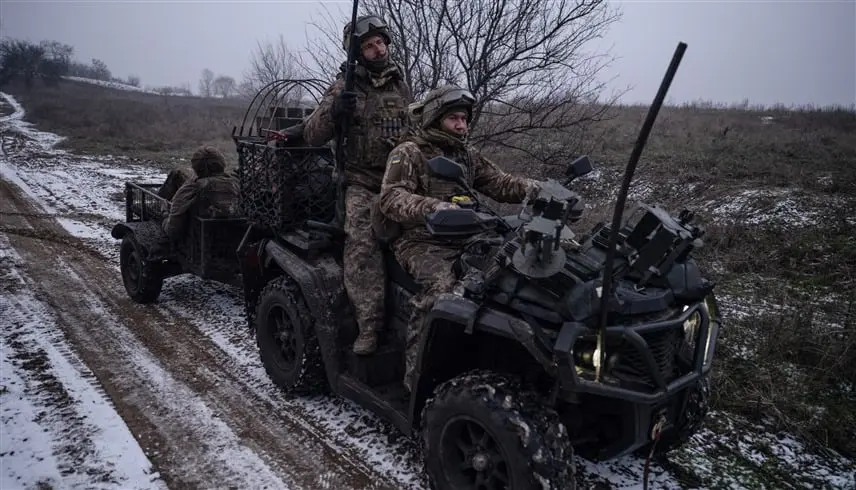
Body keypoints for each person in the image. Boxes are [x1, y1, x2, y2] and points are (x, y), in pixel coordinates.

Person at [378, 85, 542, 391]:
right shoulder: (410, 152)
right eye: (454, 118)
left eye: (465, 119)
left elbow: (500, 183)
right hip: (421, 241)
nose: (462, 125)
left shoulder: (466, 153)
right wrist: (431, 207)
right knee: (441, 291)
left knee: (512, 278)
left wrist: (538, 189)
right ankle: (416, 379)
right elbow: (390, 198)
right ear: (436, 118)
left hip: (468, 235)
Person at [301, 15, 413, 355]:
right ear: (357, 53)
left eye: (380, 42)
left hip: (400, 179)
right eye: (368, 45)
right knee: (362, 245)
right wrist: (335, 110)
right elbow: (311, 135)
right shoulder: (344, 86)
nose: (377, 49)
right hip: (361, 183)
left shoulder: (401, 85)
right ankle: (369, 326)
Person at [162, 146, 240, 240]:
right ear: (222, 164)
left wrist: (165, 215)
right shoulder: (236, 184)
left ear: (196, 168)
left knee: (176, 174)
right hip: (232, 239)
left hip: (198, 242)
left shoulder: (191, 189)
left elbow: (173, 231)